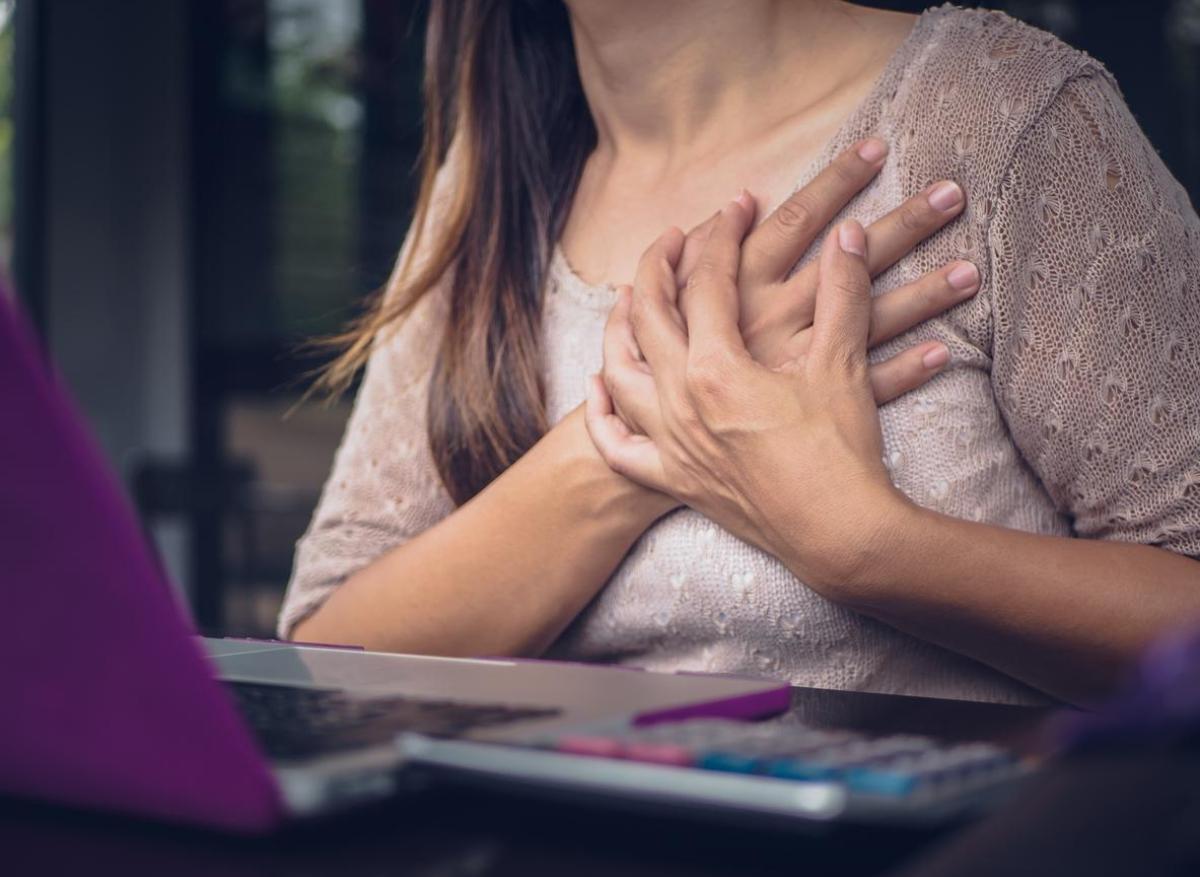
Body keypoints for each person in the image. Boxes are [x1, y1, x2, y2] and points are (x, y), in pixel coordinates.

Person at [278, 1, 1200, 707]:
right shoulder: (484, 192)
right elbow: (327, 657)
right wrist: (633, 441)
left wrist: (866, 549)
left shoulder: (998, 112)